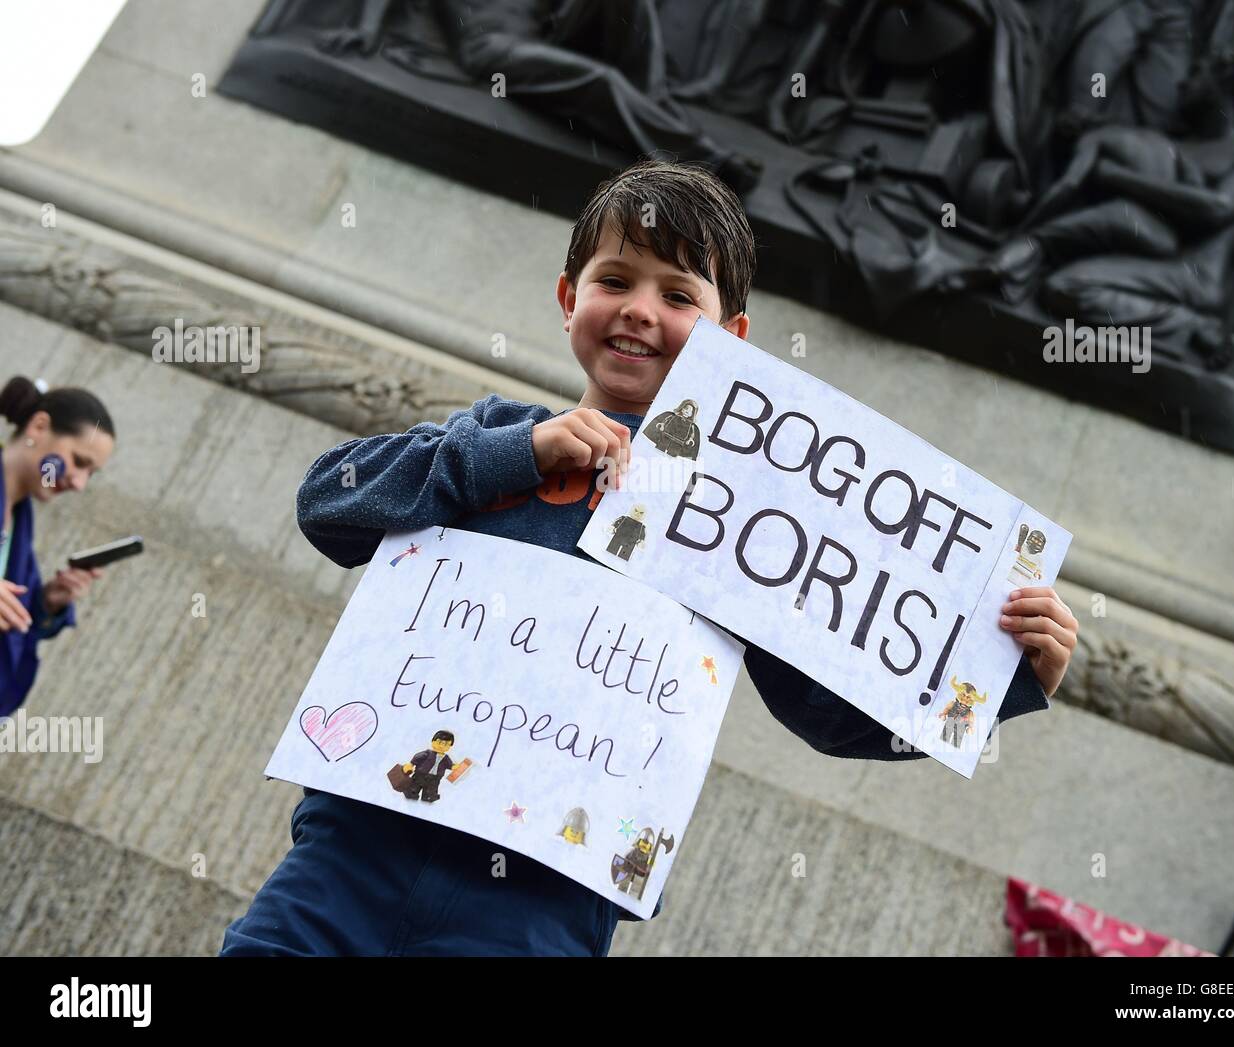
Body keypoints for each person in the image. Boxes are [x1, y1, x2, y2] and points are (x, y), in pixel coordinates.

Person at [220, 159, 1078, 957]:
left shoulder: (743, 530)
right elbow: (329, 502)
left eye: (678, 294)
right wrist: (515, 454)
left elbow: (828, 714)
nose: (638, 309)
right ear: (568, 298)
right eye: (614, 280)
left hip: (546, 904)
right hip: (355, 852)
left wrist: (1002, 679)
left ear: (729, 339)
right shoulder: (495, 436)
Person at [0, 377, 115, 716]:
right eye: (79, 461)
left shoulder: (20, 519)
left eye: (91, 473)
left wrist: (48, 602)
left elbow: (16, 624)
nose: (79, 483)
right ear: (39, 425)